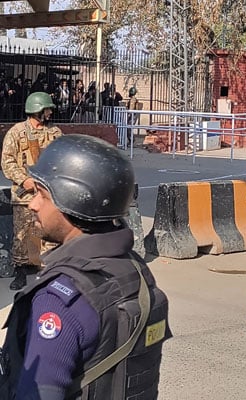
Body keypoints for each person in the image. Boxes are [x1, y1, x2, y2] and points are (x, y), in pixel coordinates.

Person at [0, 134, 172, 399]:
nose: (33, 204)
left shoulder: (58, 299)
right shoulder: (134, 270)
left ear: (75, 200)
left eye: (42, 195)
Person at [2, 92, 62, 290]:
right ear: (37, 110)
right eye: (47, 109)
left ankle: (47, 272)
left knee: (47, 233)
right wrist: (24, 180)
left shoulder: (54, 132)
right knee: (24, 234)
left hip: (48, 195)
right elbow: (7, 161)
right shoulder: (17, 132)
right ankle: (21, 271)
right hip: (25, 196)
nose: (50, 112)